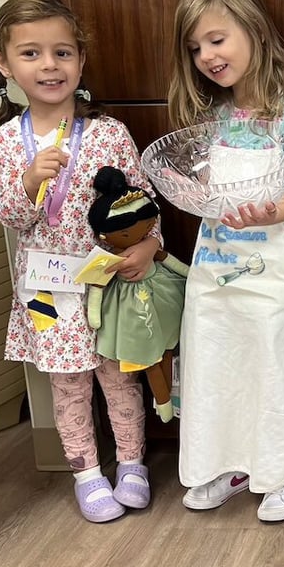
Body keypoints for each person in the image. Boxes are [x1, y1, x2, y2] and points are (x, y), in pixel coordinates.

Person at [0, 0, 160, 523]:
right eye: (31, 53)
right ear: (4, 63)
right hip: (47, 289)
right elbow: (11, 219)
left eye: (62, 53)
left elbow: (143, 204)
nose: (49, 66)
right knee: (67, 384)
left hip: (108, 282)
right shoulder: (4, 143)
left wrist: (149, 247)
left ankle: (132, 463)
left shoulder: (109, 133)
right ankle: (87, 473)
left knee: (119, 376)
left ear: (81, 61)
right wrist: (28, 181)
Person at [169, 0, 284, 522]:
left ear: (254, 31)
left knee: (271, 364)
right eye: (195, 48)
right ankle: (226, 463)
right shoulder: (213, 120)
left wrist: (269, 210)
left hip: (273, 266)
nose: (206, 56)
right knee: (214, 362)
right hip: (214, 269)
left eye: (216, 40)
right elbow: (205, 185)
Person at [86, 166, 188, 424]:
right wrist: (94, 315)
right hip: (130, 311)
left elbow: (174, 264)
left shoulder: (148, 246)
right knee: (150, 357)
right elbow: (97, 287)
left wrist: (194, 276)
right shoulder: (108, 260)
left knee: (166, 349)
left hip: (161, 298)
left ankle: (169, 400)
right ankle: (164, 401)